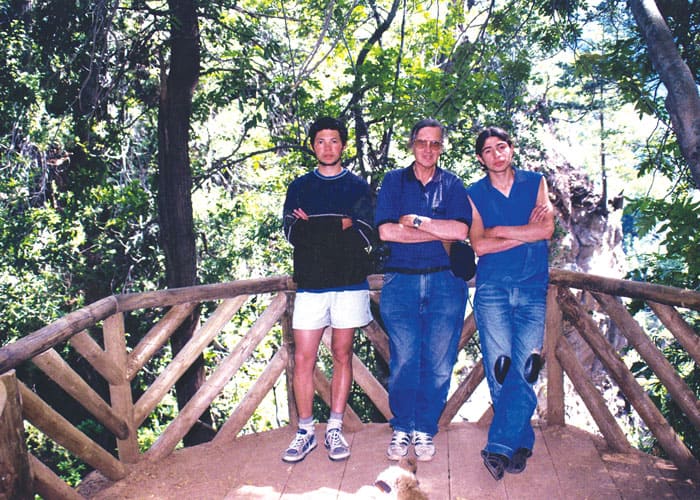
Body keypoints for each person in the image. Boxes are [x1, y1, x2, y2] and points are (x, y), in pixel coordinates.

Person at [375, 118, 471, 462]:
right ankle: (403, 426)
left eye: (435, 144)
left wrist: (415, 220)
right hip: (401, 281)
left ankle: (424, 428)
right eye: (422, 142)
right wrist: (437, 230)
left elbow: (460, 230)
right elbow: (386, 232)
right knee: (404, 359)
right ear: (412, 144)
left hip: (446, 282)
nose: (428, 149)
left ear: (442, 147)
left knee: (440, 362)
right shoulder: (393, 182)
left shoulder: (453, 184)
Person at [281, 116, 375, 462]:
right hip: (310, 285)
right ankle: (305, 431)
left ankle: (334, 428)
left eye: (334, 141)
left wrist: (317, 227)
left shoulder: (358, 187)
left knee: (341, 354)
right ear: (312, 145)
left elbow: (367, 233)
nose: (327, 147)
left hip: (349, 282)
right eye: (321, 141)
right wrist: (340, 225)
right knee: (303, 358)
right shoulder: (300, 186)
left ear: (343, 145)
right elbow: (292, 234)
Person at [467, 126, 554, 480]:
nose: (496, 154)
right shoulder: (473, 193)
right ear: (480, 157)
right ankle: (521, 440)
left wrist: (500, 230)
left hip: (533, 287)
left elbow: (545, 231)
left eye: (501, 147)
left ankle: (500, 447)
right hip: (492, 290)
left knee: (527, 366)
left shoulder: (536, 182)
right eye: (488, 150)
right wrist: (522, 231)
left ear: (511, 149)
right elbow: (479, 246)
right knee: (501, 366)